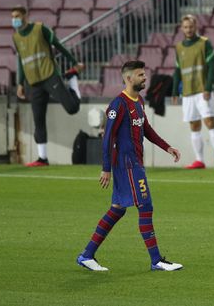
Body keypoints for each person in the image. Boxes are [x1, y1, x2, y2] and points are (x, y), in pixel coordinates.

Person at [76, 60, 183, 272]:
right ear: (128, 78)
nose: (145, 77)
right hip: (127, 165)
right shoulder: (118, 105)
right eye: (140, 75)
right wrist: (106, 168)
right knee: (145, 206)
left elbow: (146, 129)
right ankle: (156, 260)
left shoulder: (138, 101)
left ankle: (86, 255)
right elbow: (107, 137)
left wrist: (167, 147)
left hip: (134, 162)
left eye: (144, 74)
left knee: (117, 210)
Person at [11, 6, 84, 166]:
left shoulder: (40, 29)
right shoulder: (15, 37)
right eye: (13, 16)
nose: (14, 19)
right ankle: (42, 158)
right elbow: (21, 61)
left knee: (72, 108)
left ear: (25, 16)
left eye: (17, 16)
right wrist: (20, 83)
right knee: (38, 120)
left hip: (50, 75)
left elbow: (58, 46)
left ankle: (72, 79)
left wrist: (74, 63)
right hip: (33, 82)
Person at [171, 14, 214, 170]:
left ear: (196, 27)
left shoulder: (204, 43)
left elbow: (212, 65)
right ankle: (199, 160)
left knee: (210, 122)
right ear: (182, 28)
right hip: (188, 92)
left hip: (202, 90)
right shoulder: (179, 47)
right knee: (194, 125)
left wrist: (208, 87)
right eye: (185, 27)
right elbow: (177, 71)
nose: (188, 29)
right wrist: (174, 91)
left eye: (191, 26)